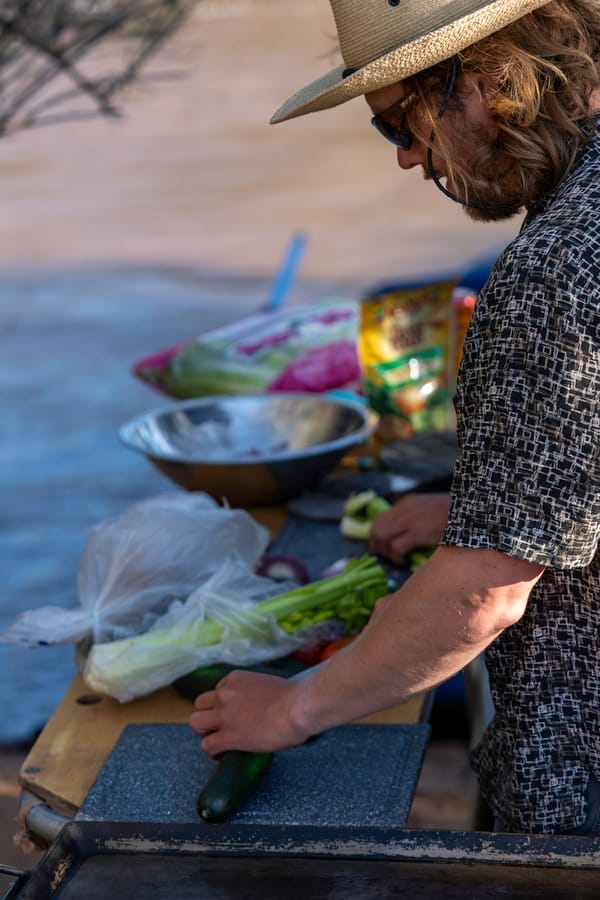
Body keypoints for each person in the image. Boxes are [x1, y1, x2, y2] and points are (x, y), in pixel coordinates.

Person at [190, 0, 600, 836]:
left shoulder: (552, 271)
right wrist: (483, 510)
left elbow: (483, 591)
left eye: (396, 126)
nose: (409, 158)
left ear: (487, 77)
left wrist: (294, 709)